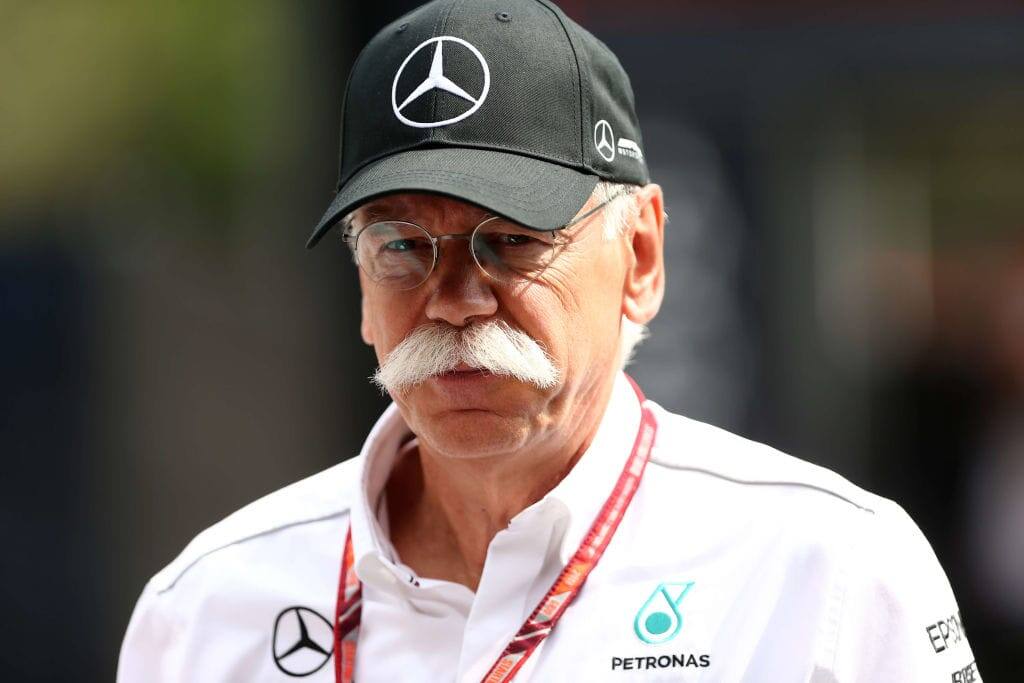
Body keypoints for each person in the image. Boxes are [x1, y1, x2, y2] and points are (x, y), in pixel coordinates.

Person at [118, 0, 981, 681]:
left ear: (641, 256)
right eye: (402, 247)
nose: (454, 302)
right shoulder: (207, 608)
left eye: (512, 239)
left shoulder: (829, 572)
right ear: (361, 289)